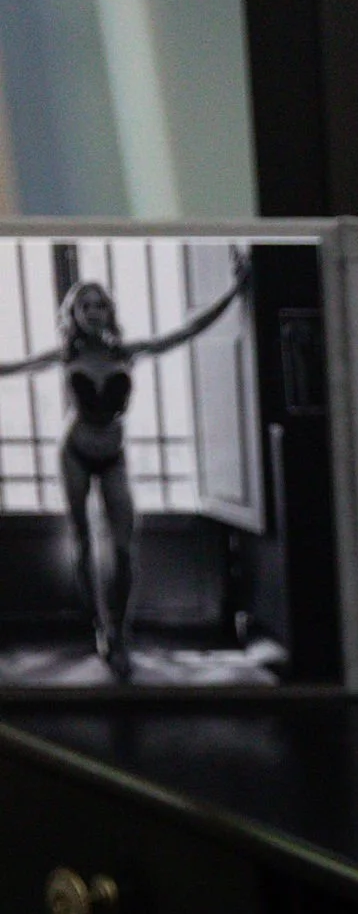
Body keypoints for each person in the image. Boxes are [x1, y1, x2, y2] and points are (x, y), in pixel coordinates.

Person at [0, 254, 251, 678]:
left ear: (109, 311)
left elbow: (186, 332)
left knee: (122, 549)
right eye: (86, 306)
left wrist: (232, 291)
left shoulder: (128, 352)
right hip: (74, 453)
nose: (94, 311)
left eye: (100, 304)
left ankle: (120, 627)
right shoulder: (64, 357)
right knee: (82, 544)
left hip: (113, 455)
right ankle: (102, 628)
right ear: (74, 316)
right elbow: (11, 367)